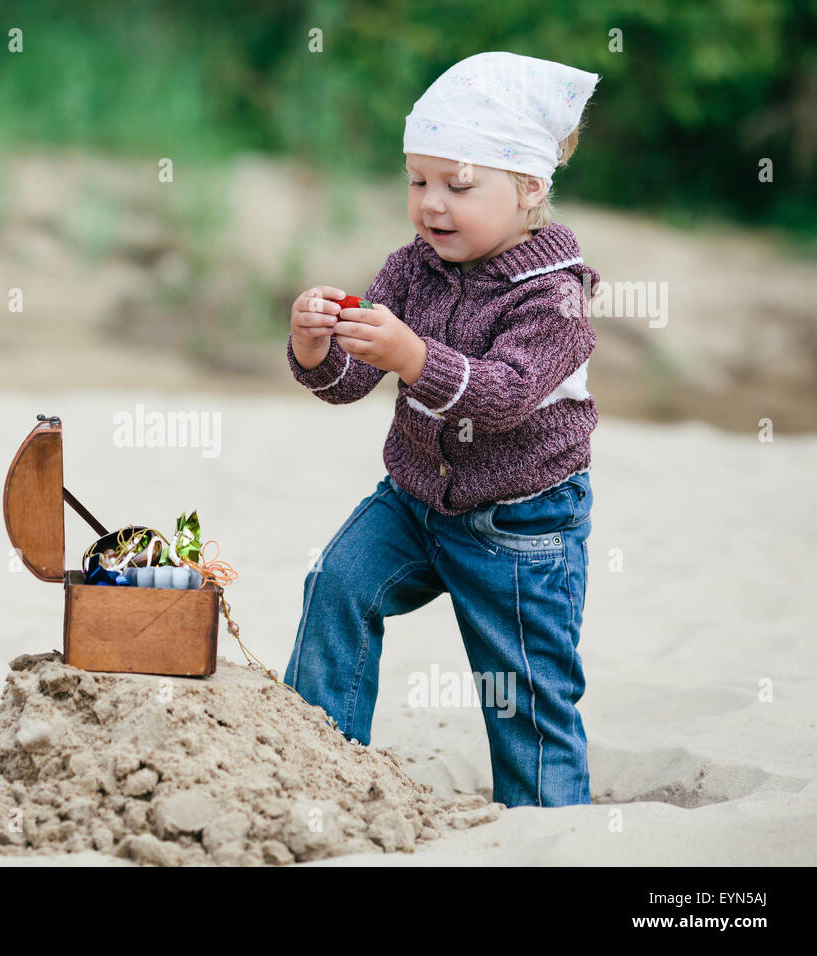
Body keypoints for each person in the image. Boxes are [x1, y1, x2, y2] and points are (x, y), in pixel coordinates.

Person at [283, 51, 602, 808]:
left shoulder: (557, 298)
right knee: (338, 585)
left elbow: (505, 396)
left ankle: (550, 826)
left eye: (459, 185)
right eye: (417, 180)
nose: (432, 204)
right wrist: (314, 346)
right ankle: (317, 771)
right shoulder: (410, 268)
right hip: (416, 498)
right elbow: (350, 384)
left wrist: (413, 355)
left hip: (522, 524)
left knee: (523, 691)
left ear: (530, 189)